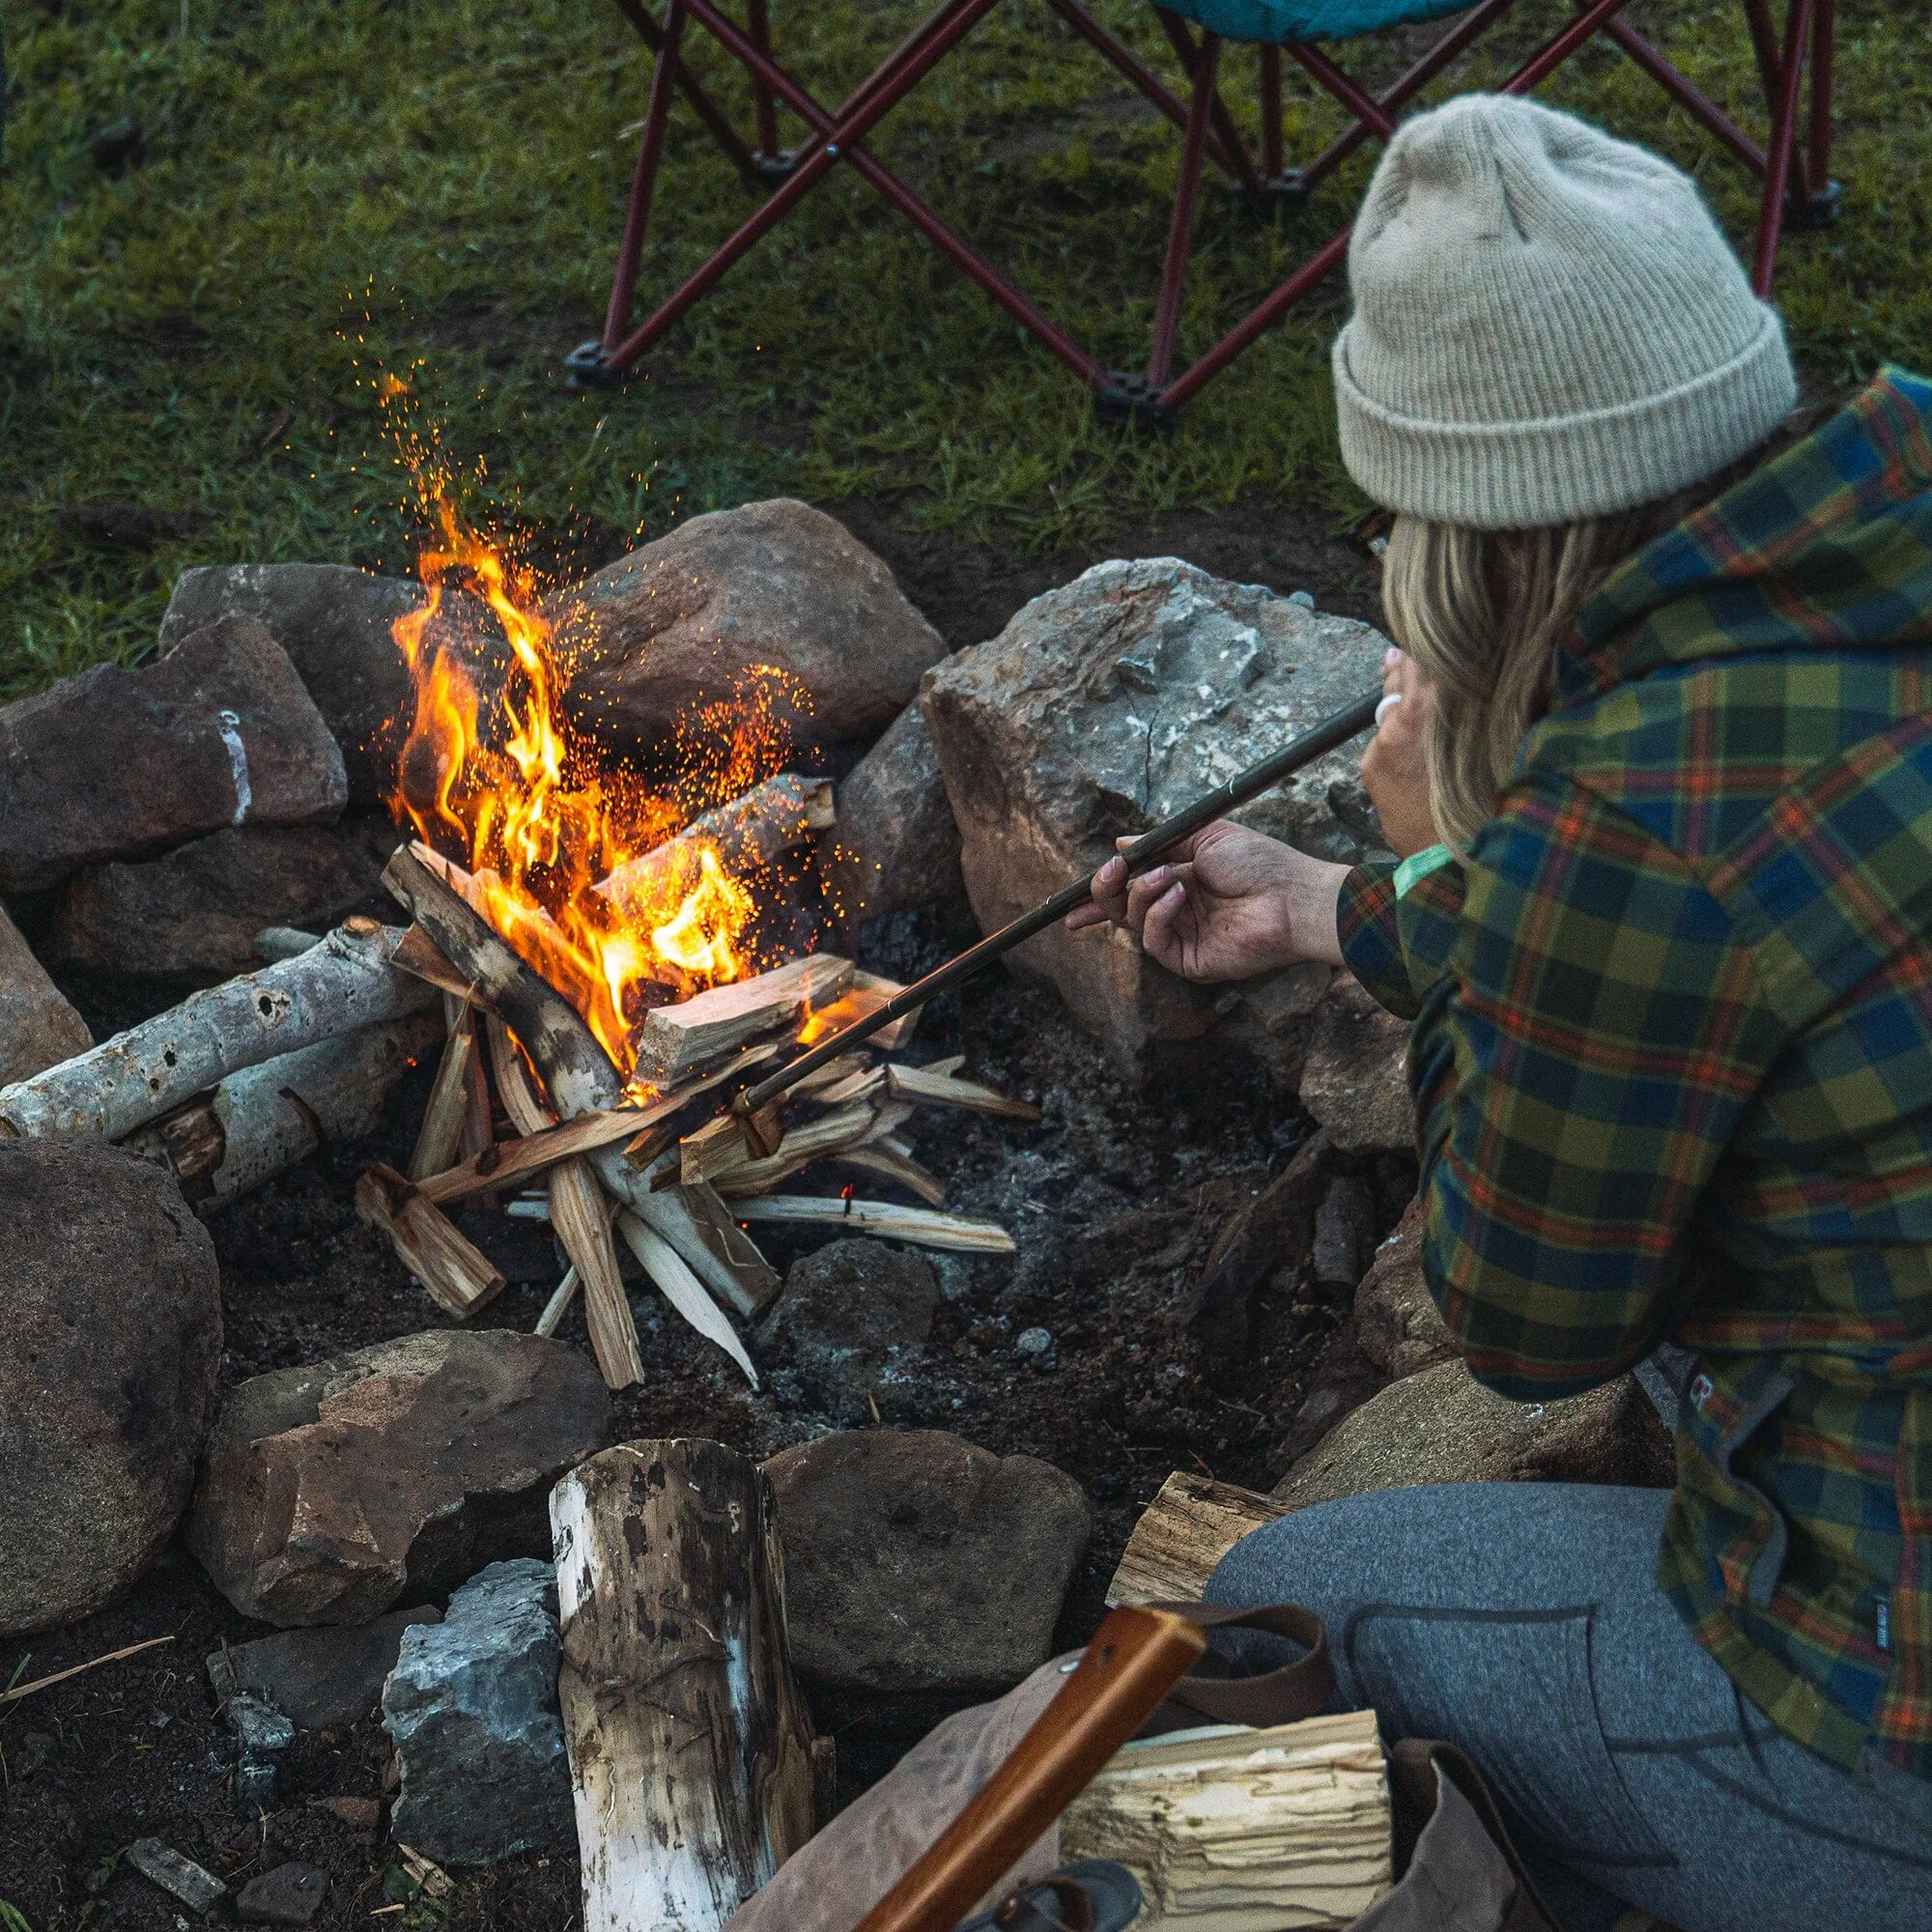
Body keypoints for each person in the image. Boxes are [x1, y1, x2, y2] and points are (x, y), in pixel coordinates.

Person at [1069, 95, 1932, 1932]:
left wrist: (1461, 836)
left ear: (1486, 535)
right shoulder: (1885, 546)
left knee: (1275, 1611)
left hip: (1884, 1726)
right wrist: (1347, 910)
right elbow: (1783, 886)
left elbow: (1527, 1318)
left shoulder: (1610, 825)